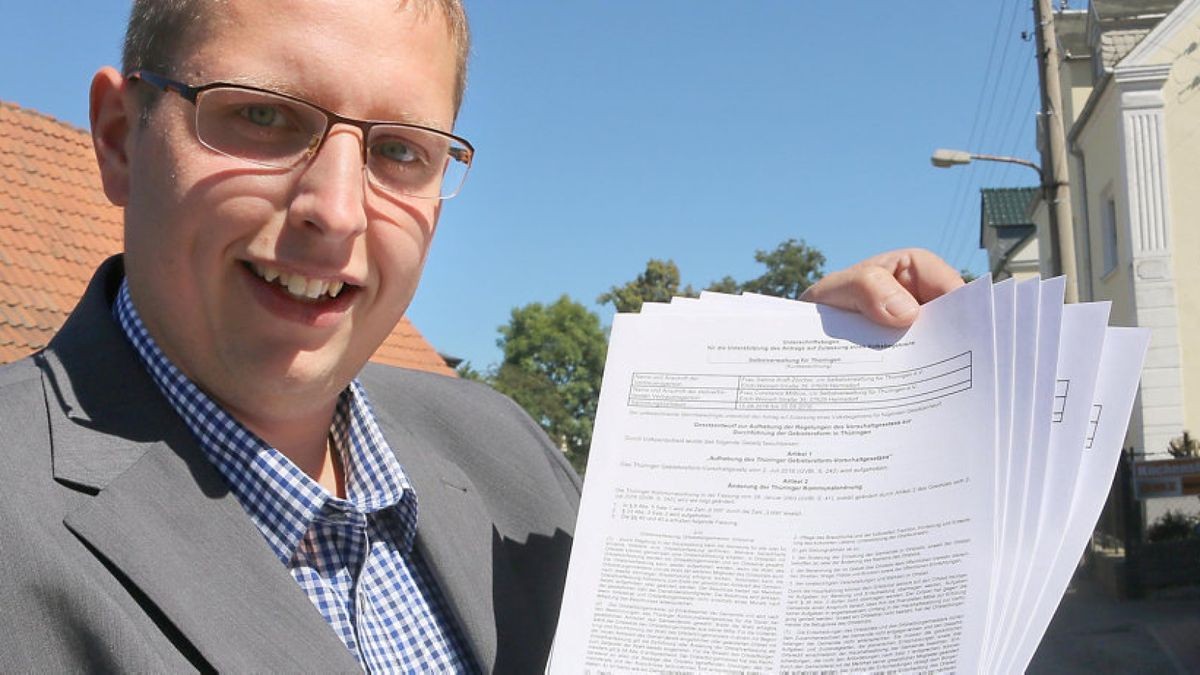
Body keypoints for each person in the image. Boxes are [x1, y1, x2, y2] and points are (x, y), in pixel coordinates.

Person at [0, 0, 963, 672]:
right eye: (261, 116)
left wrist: (814, 390)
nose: (336, 212)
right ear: (122, 138)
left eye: (400, 152)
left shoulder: (504, 451)